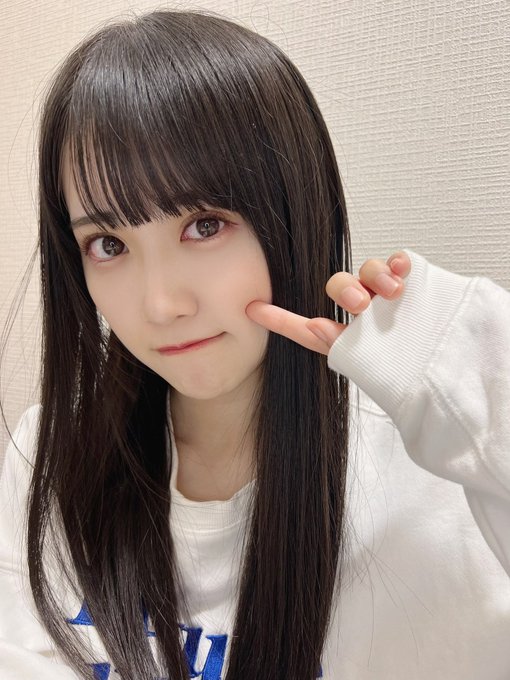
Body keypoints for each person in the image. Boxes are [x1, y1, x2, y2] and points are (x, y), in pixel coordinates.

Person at [0, 8, 509, 680]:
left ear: (295, 211)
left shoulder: (433, 475)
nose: (161, 304)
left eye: (205, 225)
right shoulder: (48, 456)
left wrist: (470, 364)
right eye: (109, 244)